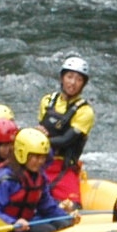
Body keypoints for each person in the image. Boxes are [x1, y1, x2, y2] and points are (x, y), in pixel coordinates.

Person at [37, 55, 94, 207]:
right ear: (62, 78)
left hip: (64, 167)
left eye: (79, 79)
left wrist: (39, 140)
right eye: (69, 77)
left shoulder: (85, 111)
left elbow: (65, 141)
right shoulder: (47, 101)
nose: (73, 83)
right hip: (41, 162)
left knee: (73, 206)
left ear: (83, 84)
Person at [0, 126, 63, 227]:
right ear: (22, 154)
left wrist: (67, 218)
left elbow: (48, 207)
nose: (40, 161)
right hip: (6, 230)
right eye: (36, 157)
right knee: (46, 229)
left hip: (25, 225)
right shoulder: (5, 179)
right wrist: (12, 222)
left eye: (43, 157)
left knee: (62, 224)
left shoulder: (39, 178)